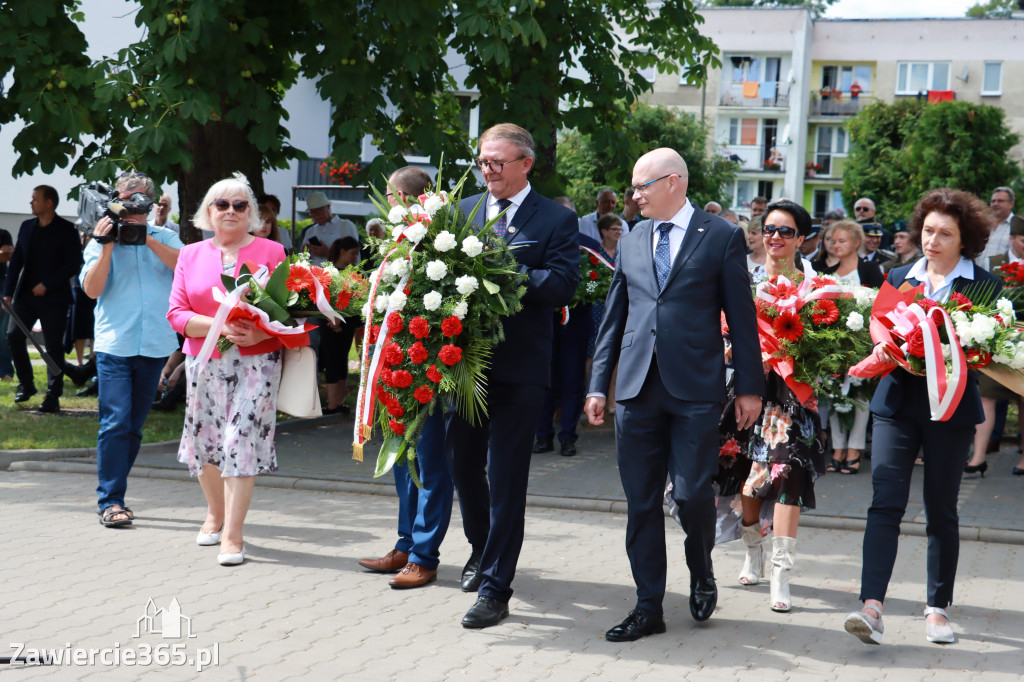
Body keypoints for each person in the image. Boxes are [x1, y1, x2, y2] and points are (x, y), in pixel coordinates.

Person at [585, 148, 763, 641]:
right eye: (633, 187)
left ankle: (701, 569)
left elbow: (743, 318)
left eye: (643, 186)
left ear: (674, 183)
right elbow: (614, 315)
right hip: (637, 390)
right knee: (641, 503)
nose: (634, 195)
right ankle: (648, 607)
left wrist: (750, 386)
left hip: (695, 392)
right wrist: (599, 383)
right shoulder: (634, 237)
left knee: (689, 497)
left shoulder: (721, 237)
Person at [844, 188, 1000, 646]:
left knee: (941, 509)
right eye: (928, 230)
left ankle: (937, 610)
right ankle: (871, 606)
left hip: (950, 411)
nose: (932, 241)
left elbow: (990, 350)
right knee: (884, 504)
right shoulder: (898, 276)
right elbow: (878, 331)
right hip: (896, 406)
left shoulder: (984, 286)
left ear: (964, 239)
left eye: (944, 234)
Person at [448, 123, 578, 628]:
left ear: (526, 164)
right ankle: (483, 548)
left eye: (498, 162)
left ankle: (496, 587)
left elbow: (563, 284)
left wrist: (501, 273)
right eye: (483, 161)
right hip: (466, 367)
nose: (488, 170)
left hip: (521, 368)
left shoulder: (555, 219)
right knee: (463, 469)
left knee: (506, 479)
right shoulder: (462, 213)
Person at [167, 173, 290, 566]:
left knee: (240, 439)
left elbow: (286, 315)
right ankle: (215, 513)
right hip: (205, 360)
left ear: (252, 212)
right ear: (208, 212)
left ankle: (233, 536)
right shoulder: (190, 254)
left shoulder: (273, 252)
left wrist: (258, 334)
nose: (231, 211)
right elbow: (177, 313)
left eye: (240, 205)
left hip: (258, 361)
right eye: (222, 205)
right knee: (206, 441)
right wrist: (221, 323)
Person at [718, 199, 822, 613]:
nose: (776, 237)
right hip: (749, 394)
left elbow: (826, 352)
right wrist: (741, 354)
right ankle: (752, 549)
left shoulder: (818, 289)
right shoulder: (746, 281)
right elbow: (726, 337)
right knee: (747, 479)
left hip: (794, 400)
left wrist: (798, 355)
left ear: (802, 238)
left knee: (788, 479)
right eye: (770, 229)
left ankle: (781, 573)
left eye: (786, 231)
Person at [359, 165, 455, 590]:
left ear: (406, 199)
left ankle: (424, 555)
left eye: (389, 195)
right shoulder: (394, 245)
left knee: (431, 465)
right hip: (397, 366)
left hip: (428, 370)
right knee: (402, 461)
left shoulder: (440, 246)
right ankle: (405, 543)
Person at [81, 172, 183, 527]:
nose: (134, 206)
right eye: (127, 199)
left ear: (151, 203)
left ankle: (114, 492)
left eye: (141, 199)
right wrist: (108, 246)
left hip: (154, 344)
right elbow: (92, 291)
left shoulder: (167, 237)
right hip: (115, 344)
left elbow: (183, 269)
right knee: (115, 423)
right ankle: (110, 500)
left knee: (134, 427)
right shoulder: (101, 239)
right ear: (116, 201)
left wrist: (145, 237)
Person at [4, 185, 85, 412]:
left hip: (55, 299)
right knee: (13, 336)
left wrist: (48, 284)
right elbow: (17, 261)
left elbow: (73, 263)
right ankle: (27, 384)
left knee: (52, 348)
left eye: (35, 199)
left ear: (49, 203)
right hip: (25, 297)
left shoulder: (67, 230)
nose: (31, 203)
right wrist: (8, 293)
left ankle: (52, 396)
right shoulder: (27, 227)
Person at [320, 236, 360, 414]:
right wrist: (331, 318)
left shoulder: (354, 274)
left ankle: (338, 402)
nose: (355, 258)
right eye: (352, 253)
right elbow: (322, 298)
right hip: (329, 323)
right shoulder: (328, 272)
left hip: (347, 323)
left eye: (357, 254)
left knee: (342, 360)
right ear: (342, 251)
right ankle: (331, 404)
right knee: (331, 360)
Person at [299, 192, 358, 266]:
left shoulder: (346, 225)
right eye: (312, 211)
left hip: (337, 276)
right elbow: (303, 260)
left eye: (319, 209)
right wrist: (305, 252)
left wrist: (327, 254)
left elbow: (355, 258)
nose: (316, 214)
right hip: (313, 275)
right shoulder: (310, 231)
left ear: (328, 206)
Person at [976, 186, 1015, 271]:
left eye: (1000, 201)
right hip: (977, 277)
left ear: (1011, 204)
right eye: (993, 201)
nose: (995, 204)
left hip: (1002, 279)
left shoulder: (1016, 226)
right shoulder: (983, 225)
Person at [0, 227, 15, 380]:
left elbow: (7, 254)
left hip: (2, 284)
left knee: (3, 331)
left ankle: (5, 371)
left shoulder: (3, 233)